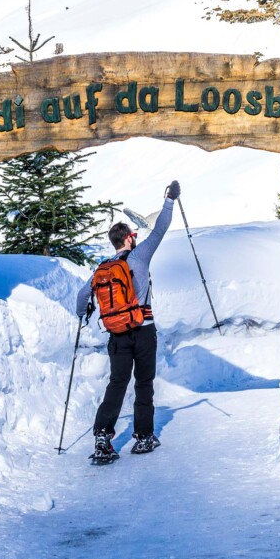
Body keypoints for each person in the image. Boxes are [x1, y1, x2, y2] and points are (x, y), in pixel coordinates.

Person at [76, 180, 181, 461]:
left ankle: (102, 436)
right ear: (129, 238)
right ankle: (143, 437)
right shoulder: (140, 256)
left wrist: (82, 312)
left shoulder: (104, 267)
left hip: (117, 334)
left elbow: (83, 294)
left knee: (117, 384)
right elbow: (161, 228)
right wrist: (170, 199)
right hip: (144, 330)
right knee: (143, 383)